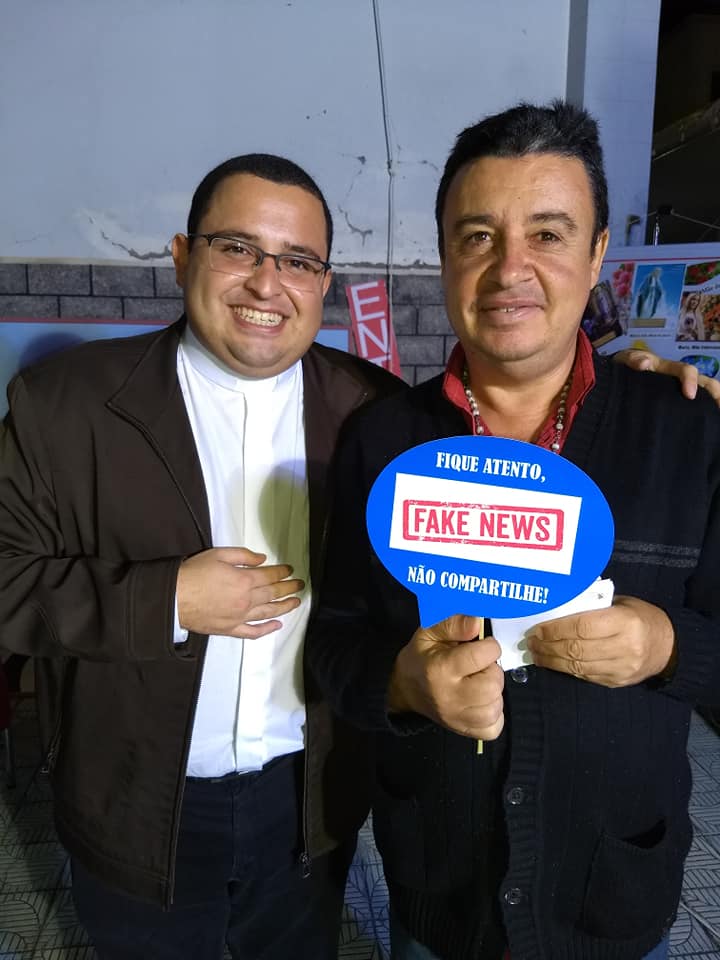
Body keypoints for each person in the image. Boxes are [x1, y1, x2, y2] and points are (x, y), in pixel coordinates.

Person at [307, 102, 720, 960]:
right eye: (478, 237)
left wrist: (666, 645)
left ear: (598, 253)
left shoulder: (689, 432)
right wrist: (403, 686)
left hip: (614, 896)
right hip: (438, 896)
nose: (510, 270)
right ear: (445, 256)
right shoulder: (383, 443)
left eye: (549, 234)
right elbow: (334, 642)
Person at [0, 154, 401, 959]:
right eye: (237, 248)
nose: (266, 283)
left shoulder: (375, 412)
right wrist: (168, 600)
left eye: (297, 261)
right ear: (184, 256)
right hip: (135, 800)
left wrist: (631, 384)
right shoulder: (65, 404)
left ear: (324, 284)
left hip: (309, 797)